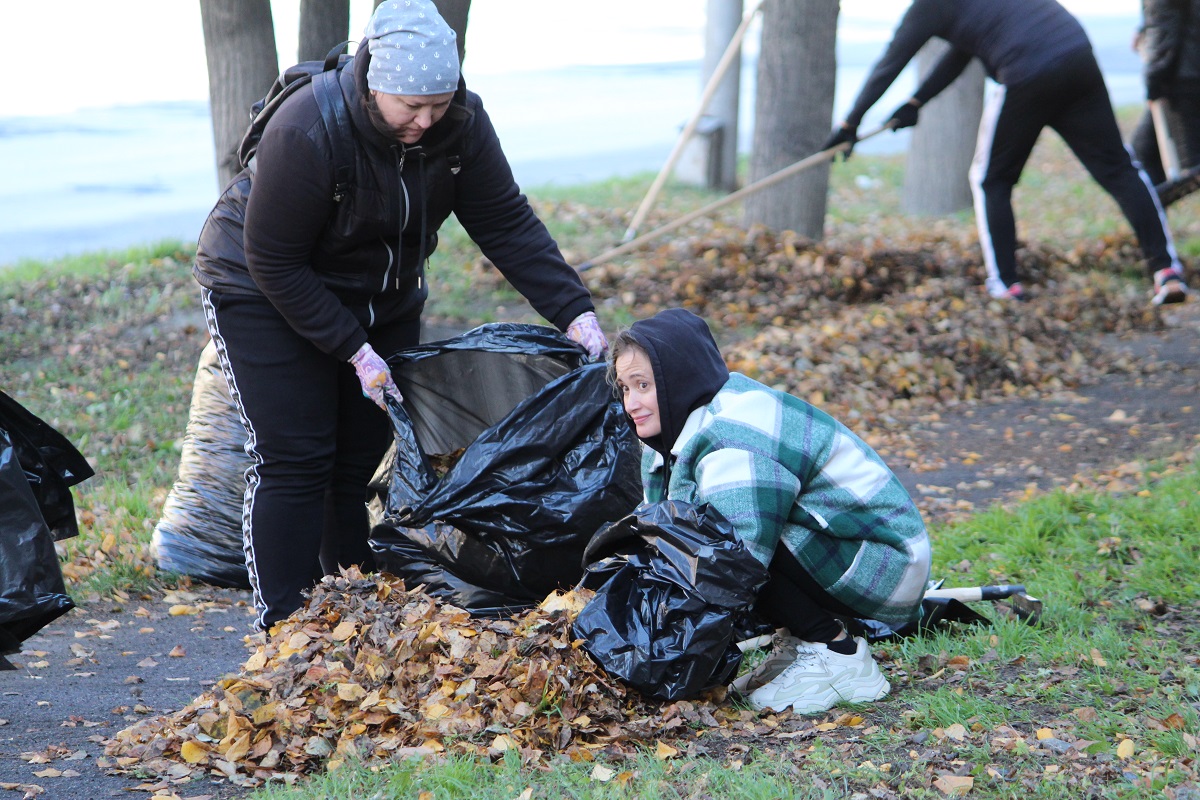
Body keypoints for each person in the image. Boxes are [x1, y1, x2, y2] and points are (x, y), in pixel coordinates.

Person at [192, 0, 608, 630]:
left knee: (359, 456)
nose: (424, 121)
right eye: (410, 106)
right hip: (261, 288)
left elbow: (505, 223)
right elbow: (274, 260)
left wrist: (576, 314)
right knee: (297, 454)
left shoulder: (461, 126)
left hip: (380, 293)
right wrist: (353, 351)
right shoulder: (310, 127)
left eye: (437, 105)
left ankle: (348, 604)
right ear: (371, 81)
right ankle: (285, 629)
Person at [607, 308, 931, 715]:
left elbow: (735, 559)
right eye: (624, 388)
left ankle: (839, 653)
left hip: (886, 564)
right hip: (841, 547)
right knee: (703, 536)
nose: (631, 403)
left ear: (678, 381)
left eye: (643, 385)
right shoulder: (673, 436)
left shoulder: (732, 438)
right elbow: (662, 532)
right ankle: (802, 640)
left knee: (725, 546)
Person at [824, 0, 1189, 307]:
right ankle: (1166, 271)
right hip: (1074, 52)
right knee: (1118, 168)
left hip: (1026, 70)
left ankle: (1005, 287)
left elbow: (890, 62)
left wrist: (849, 124)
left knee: (990, 179)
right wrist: (917, 100)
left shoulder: (928, 5)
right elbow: (964, 50)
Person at [1131, 0, 1200, 187]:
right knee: (1144, 150)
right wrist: (1143, 28)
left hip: (1182, 78)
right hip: (1186, 72)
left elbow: (1164, 30)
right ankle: (1157, 211)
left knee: (1191, 167)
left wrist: (1153, 82)